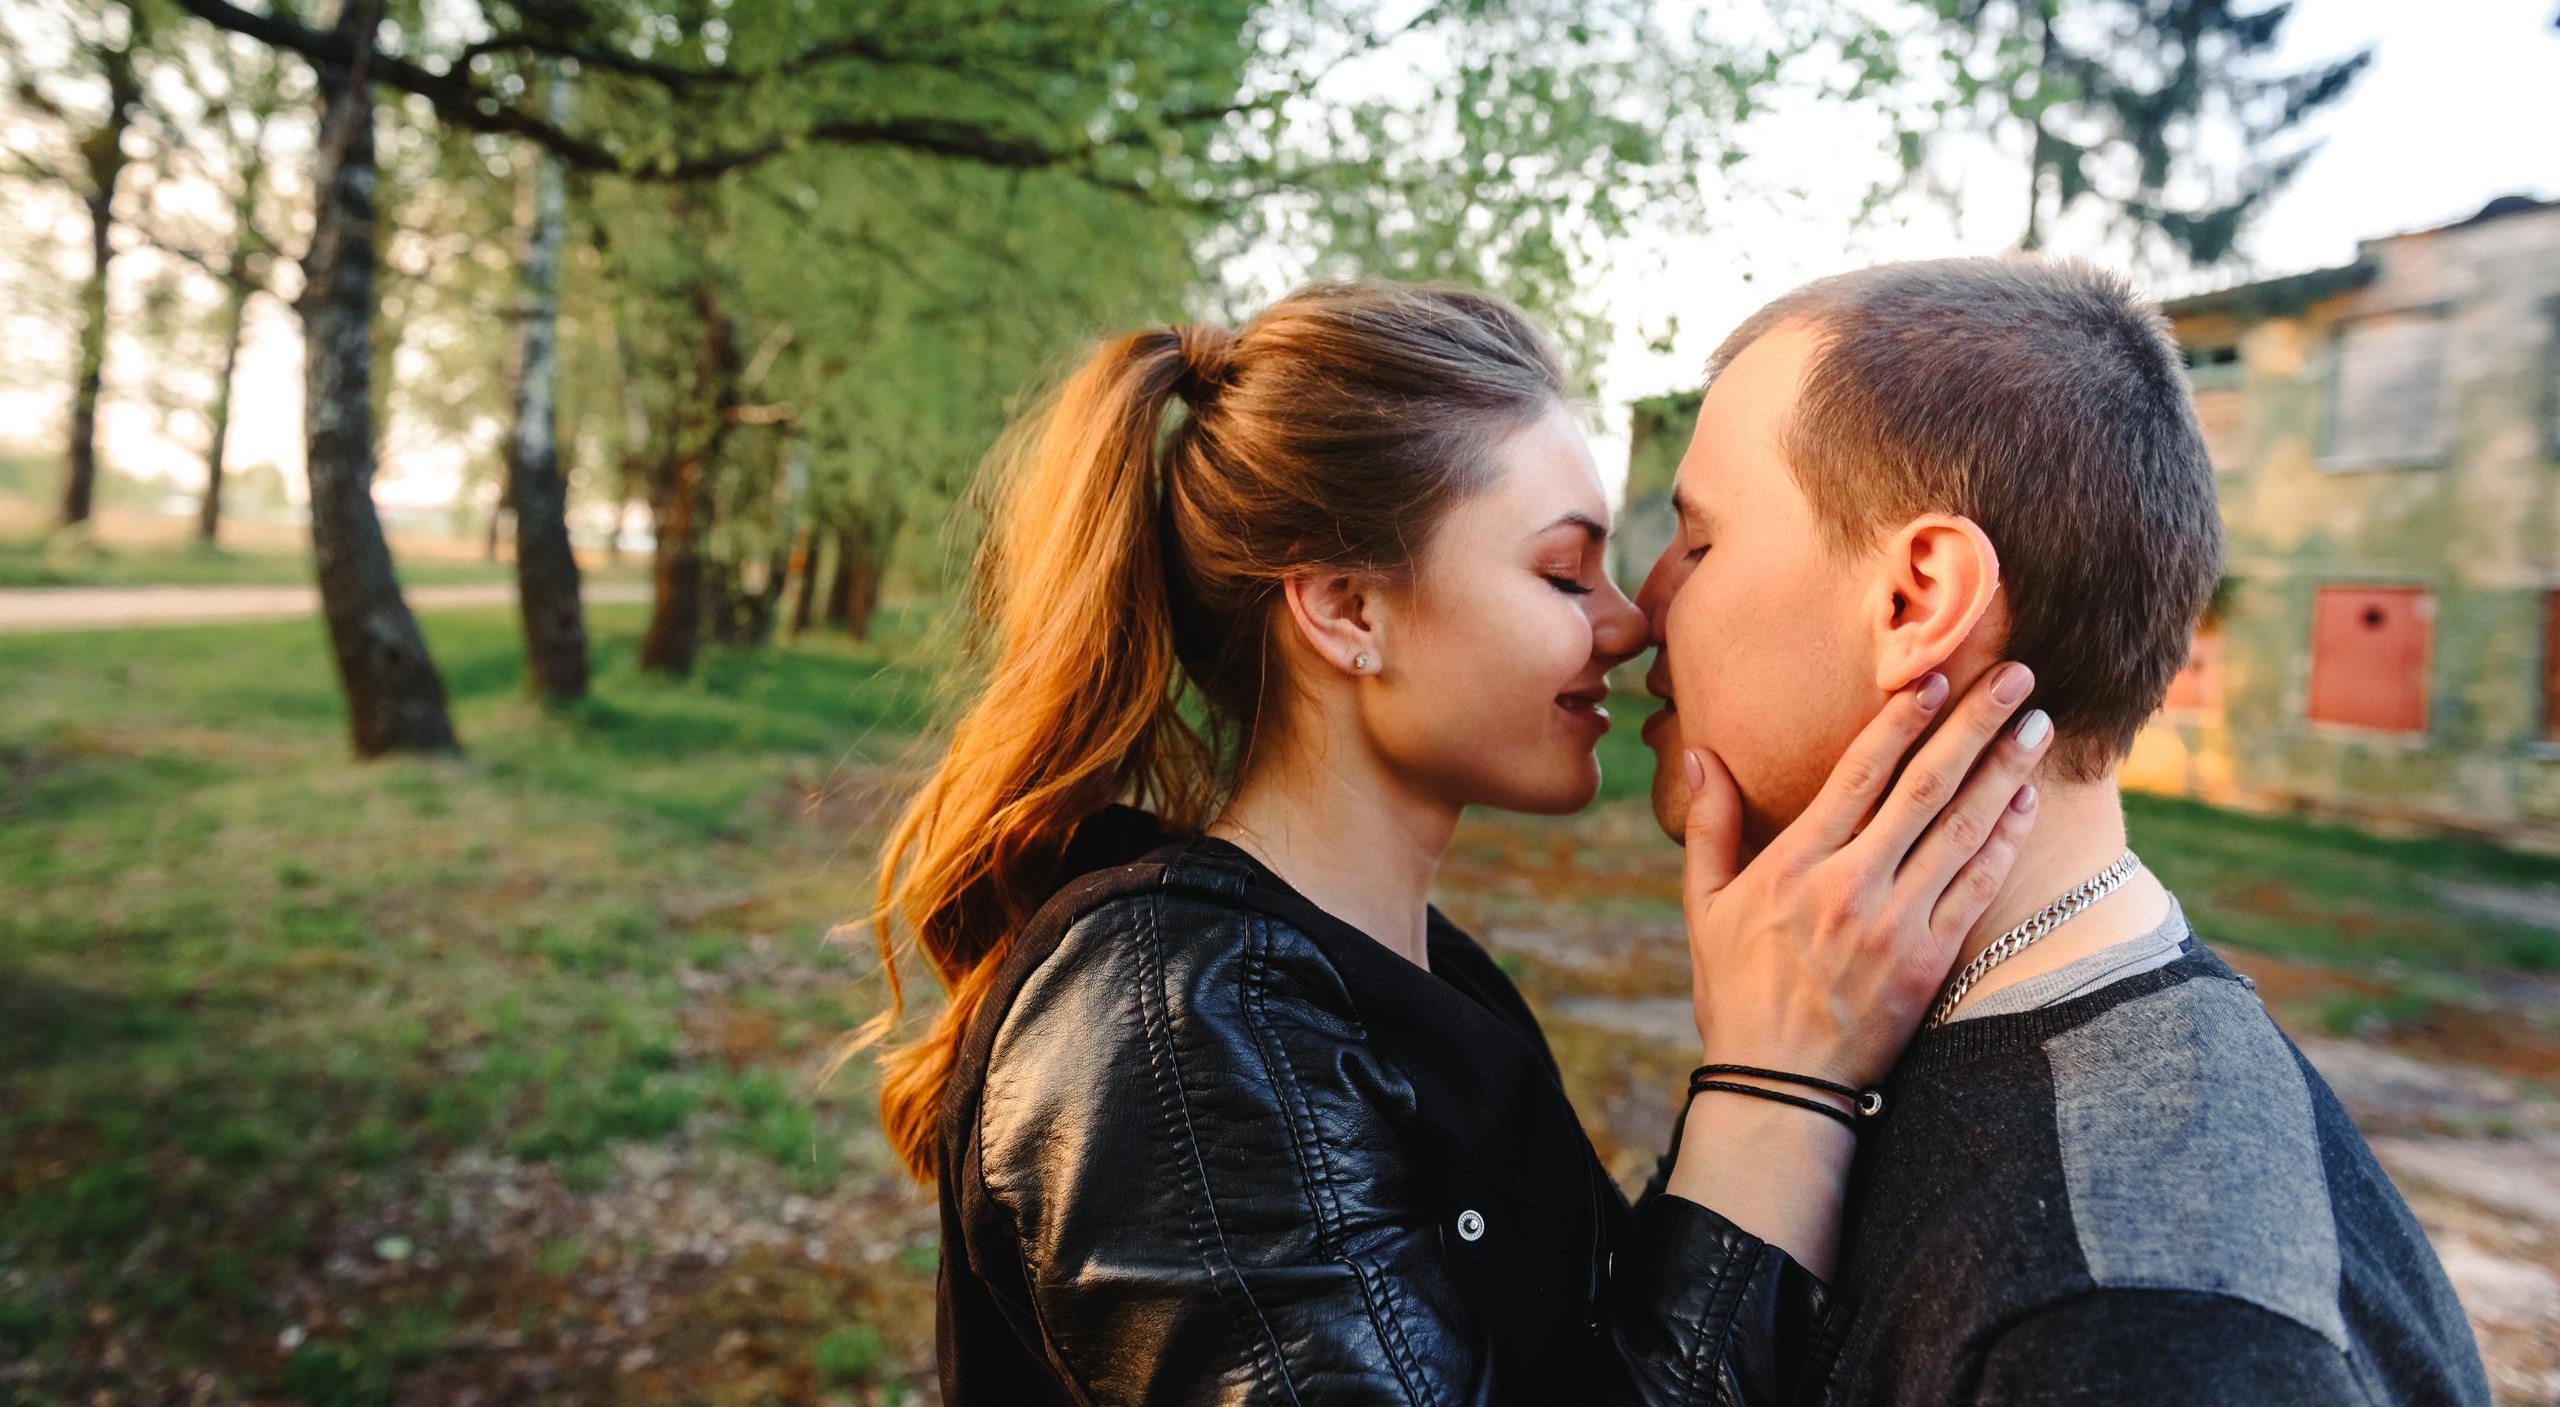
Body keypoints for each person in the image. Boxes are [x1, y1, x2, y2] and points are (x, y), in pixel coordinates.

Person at [850, 280, 2056, 1405]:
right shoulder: (1176, 1018)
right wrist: (1775, 1084)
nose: (1632, 620)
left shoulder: (1420, 973)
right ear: (1347, 609)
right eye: (1559, 570)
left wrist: (1783, 1036)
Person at [1634, 256, 2490, 1405]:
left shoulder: (2137, 1331)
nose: (1636, 607)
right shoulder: (1888, 1036)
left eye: (1698, 544)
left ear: (1916, 599)